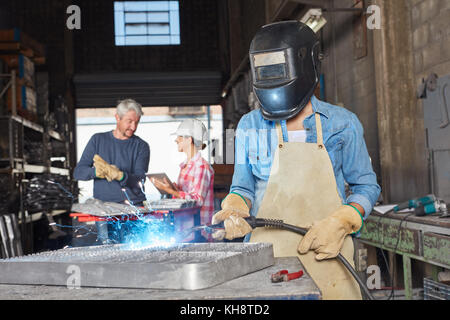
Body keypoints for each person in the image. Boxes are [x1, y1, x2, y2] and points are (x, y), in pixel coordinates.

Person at [211, 21, 381, 300]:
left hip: (330, 255)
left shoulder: (342, 123)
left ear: (307, 64)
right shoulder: (249, 126)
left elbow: (366, 186)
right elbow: (242, 187)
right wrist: (235, 206)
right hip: (268, 260)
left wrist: (345, 219)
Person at [74, 98, 150, 243]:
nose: (133, 127)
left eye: (137, 122)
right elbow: (78, 172)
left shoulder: (141, 146)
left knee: (137, 256)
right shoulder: (97, 140)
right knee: (109, 256)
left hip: (133, 211)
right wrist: (97, 172)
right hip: (105, 211)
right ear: (117, 117)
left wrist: (121, 176)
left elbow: (140, 179)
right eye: (129, 121)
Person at [152, 119, 214, 242]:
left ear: (189, 139)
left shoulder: (201, 166)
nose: (176, 140)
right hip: (185, 230)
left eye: (179, 137)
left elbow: (197, 200)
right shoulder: (186, 166)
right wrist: (170, 188)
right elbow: (185, 194)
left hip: (197, 232)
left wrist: (171, 191)